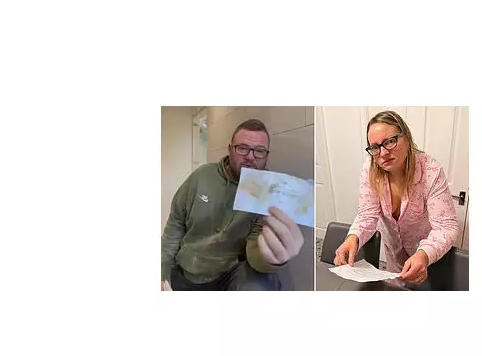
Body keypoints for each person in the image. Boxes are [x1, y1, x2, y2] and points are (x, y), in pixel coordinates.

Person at [161, 119, 304, 291]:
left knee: (266, 282)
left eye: (259, 151)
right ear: (230, 149)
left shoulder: (268, 192)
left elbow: (254, 252)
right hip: (187, 270)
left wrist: (272, 258)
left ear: (266, 155)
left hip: (229, 275)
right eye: (242, 148)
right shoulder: (201, 177)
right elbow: (175, 224)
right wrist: (162, 271)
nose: (250, 156)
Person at [334, 111, 459, 290]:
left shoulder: (430, 170)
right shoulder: (370, 169)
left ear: (406, 138)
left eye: (390, 142)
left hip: (429, 258)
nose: (383, 153)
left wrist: (424, 255)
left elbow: (446, 227)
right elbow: (367, 214)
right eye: (375, 147)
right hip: (394, 257)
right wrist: (353, 237)